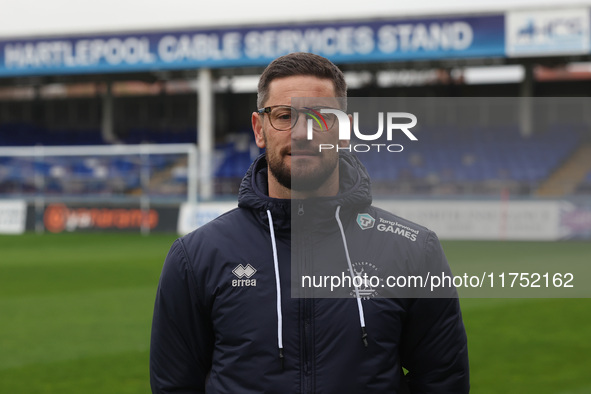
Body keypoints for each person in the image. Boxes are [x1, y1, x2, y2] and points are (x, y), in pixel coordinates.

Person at [150, 52, 469, 393]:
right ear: (260, 129)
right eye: (284, 116)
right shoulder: (195, 257)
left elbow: (442, 381)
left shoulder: (414, 250)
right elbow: (175, 385)